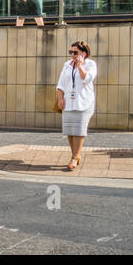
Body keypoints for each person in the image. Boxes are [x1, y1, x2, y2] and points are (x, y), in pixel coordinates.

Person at [55, 40, 97, 170]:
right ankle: (75, 155)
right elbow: (61, 84)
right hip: (68, 102)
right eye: (71, 52)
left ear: (84, 53)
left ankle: (74, 157)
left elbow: (87, 79)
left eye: (75, 52)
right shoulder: (67, 64)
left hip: (84, 102)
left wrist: (80, 65)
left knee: (79, 130)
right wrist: (60, 98)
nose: (72, 55)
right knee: (70, 131)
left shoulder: (90, 64)